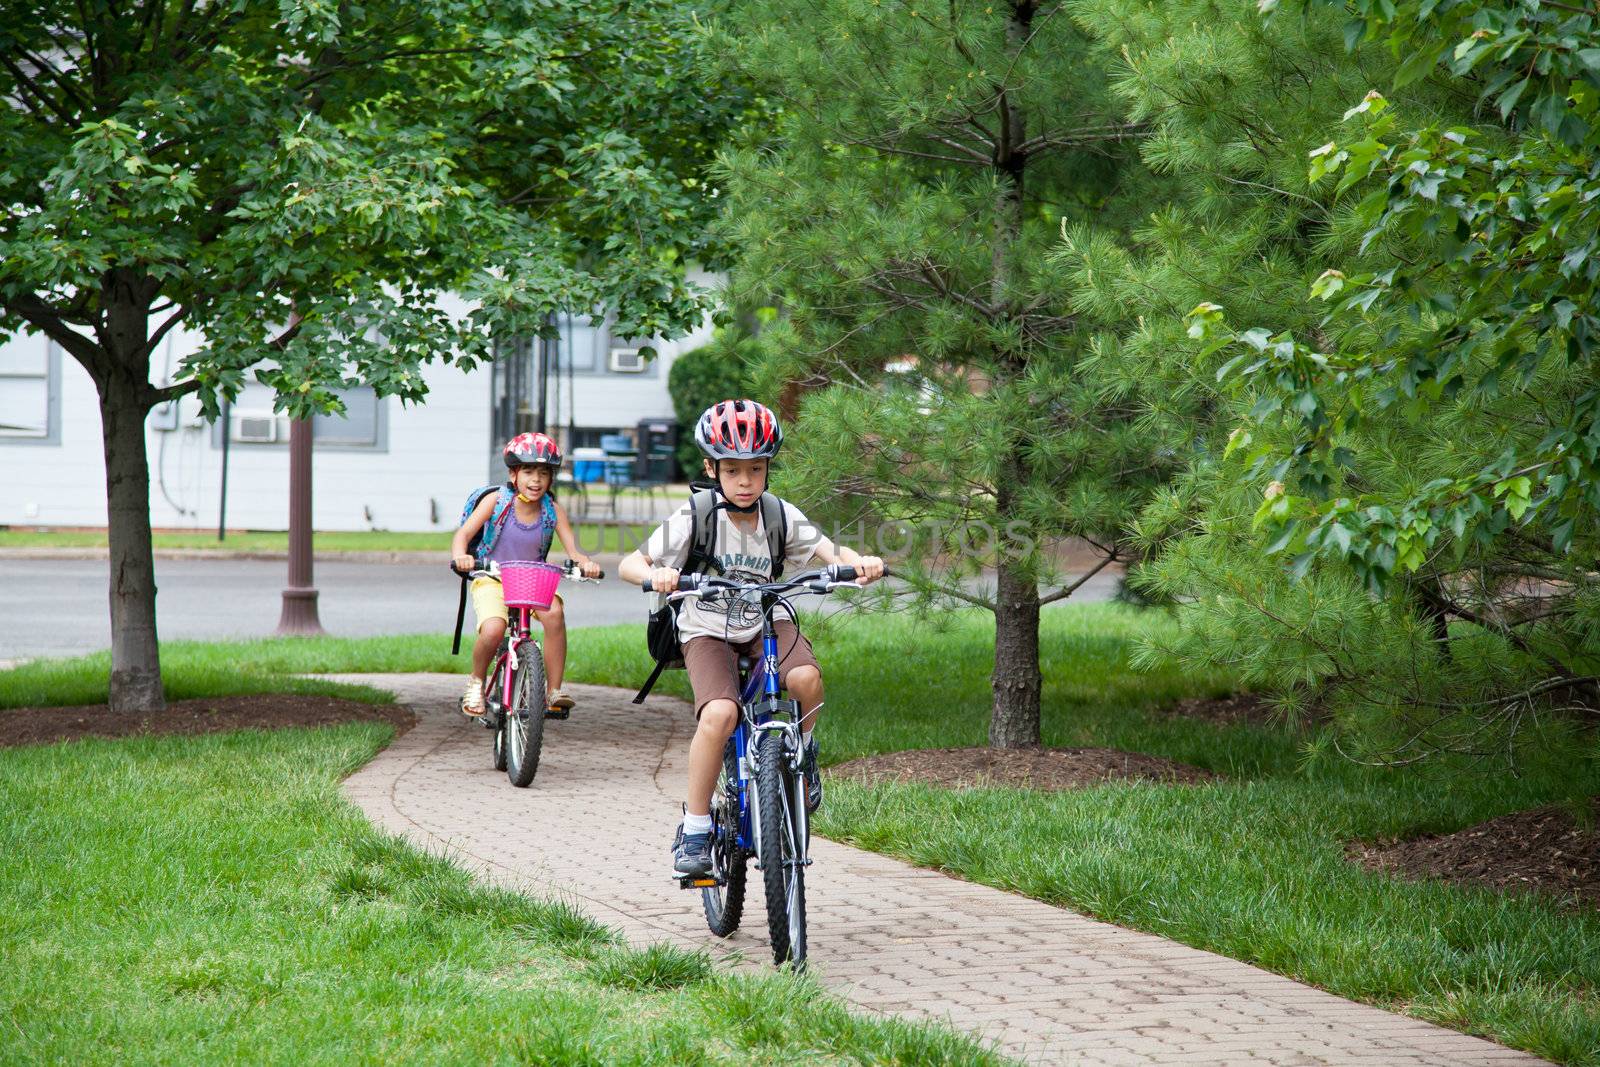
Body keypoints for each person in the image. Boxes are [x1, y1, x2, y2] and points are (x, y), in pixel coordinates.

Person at [618, 399, 884, 879]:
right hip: (707, 628)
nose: (745, 481)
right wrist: (657, 575)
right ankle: (696, 828)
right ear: (711, 467)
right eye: (733, 470)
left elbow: (829, 551)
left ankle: (803, 753)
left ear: (768, 469)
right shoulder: (696, 515)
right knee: (720, 713)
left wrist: (858, 560)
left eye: (756, 469)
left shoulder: (779, 515)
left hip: (766, 620)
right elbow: (629, 564)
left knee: (804, 678)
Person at [451, 432, 601, 718]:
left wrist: (585, 563)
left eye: (544, 473)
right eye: (529, 471)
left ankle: (554, 690)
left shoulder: (552, 510)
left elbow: (574, 550)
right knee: (494, 629)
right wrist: (462, 556)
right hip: (492, 578)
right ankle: (477, 681)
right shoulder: (496, 502)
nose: (536, 480)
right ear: (513, 474)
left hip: (532, 581)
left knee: (555, 614)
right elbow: (464, 534)